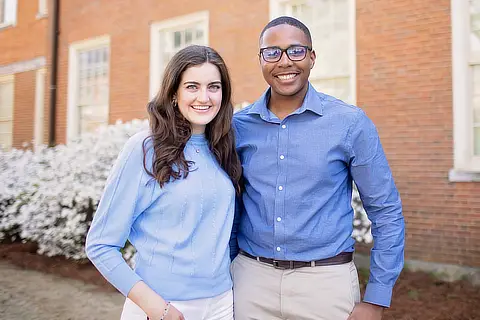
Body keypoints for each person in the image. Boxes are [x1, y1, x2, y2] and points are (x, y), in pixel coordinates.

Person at [230, 16, 405, 320]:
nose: (284, 61)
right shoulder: (238, 127)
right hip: (250, 282)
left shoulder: (349, 123)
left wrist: (377, 298)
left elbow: (386, 211)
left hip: (326, 284)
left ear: (312, 57)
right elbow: (230, 207)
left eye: (295, 51)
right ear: (260, 60)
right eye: (272, 52)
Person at [86, 45, 242, 320]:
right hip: (164, 307)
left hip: (221, 302)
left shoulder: (223, 147)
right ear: (173, 93)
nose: (204, 97)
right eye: (192, 87)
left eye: (213, 87)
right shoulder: (145, 148)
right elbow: (100, 245)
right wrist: (159, 309)